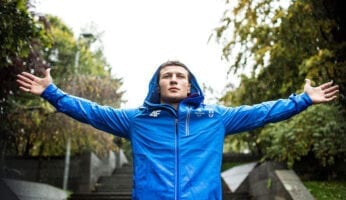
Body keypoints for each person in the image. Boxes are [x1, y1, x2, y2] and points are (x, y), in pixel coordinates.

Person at [16, 60, 339, 200]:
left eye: (179, 76)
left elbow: (261, 112)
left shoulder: (216, 117)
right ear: (157, 85)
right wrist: (51, 92)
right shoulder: (137, 120)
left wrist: (302, 100)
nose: (173, 79)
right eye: (166, 75)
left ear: (189, 85)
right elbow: (92, 112)